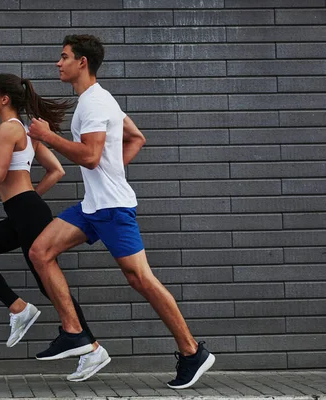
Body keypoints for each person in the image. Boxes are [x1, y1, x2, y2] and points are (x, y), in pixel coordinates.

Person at [26, 35, 215, 389]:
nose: (58, 62)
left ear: (82, 62)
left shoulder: (96, 102)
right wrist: (113, 172)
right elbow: (135, 138)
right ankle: (75, 333)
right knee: (40, 251)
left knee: (141, 280)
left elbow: (90, 156)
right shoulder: (98, 100)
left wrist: (48, 136)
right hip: (94, 205)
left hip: (112, 209)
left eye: (63, 56)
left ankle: (192, 352)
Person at [0, 74, 105, 378]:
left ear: (4, 99)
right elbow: (57, 171)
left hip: (25, 211)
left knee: (47, 282)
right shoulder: (25, 130)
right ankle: (21, 309)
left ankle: (91, 348)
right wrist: (29, 200)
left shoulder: (8, 130)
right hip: (24, 212)